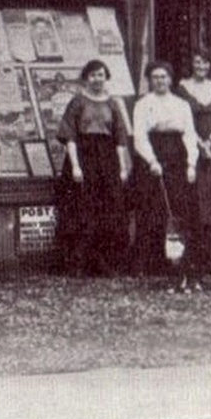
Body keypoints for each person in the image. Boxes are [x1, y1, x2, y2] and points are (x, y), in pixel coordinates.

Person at [54, 60, 133, 276]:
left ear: (106, 77)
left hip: (107, 160)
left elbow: (120, 138)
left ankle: (106, 264)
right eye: (93, 75)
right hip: (83, 157)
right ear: (86, 78)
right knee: (82, 208)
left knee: (108, 210)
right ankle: (78, 264)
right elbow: (69, 135)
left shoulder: (113, 104)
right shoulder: (77, 102)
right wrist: (76, 166)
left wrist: (123, 167)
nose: (97, 79)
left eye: (101, 75)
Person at [131, 60, 201, 283]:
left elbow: (189, 134)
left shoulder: (182, 104)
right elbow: (140, 137)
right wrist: (151, 161)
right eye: (155, 77)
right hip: (152, 157)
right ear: (150, 80)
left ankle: (177, 261)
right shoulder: (143, 104)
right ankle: (149, 262)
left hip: (177, 157)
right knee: (151, 208)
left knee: (178, 209)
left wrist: (191, 163)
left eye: (164, 77)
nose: (160, 81)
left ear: (171, 79)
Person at [175, 50, 211, 268]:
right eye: (197, 62)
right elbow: (182, 117)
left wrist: (209, 142)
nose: (201, 66)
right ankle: (194, 253)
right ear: (192, 64)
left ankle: (209, 253)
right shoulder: (182, 87)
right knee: (196, 196)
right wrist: (199, 143)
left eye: (205, 63)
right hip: (191, 144)